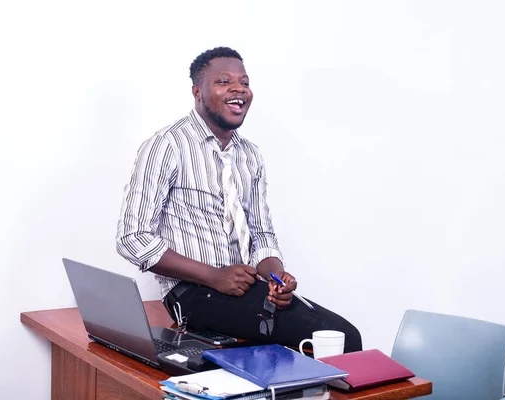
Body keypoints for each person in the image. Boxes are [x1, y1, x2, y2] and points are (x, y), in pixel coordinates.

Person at [116, 46, 362, 353]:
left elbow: (261, 234)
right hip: (190, 294)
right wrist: (214, 276)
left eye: (244, 82)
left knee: (337, 338)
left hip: (242, 287)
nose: (238, 89)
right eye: (223, 81)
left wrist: (275, 276)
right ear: (197, 92)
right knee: (344, 338)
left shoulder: (250, 155)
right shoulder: (167, 145)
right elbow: (133, 238)